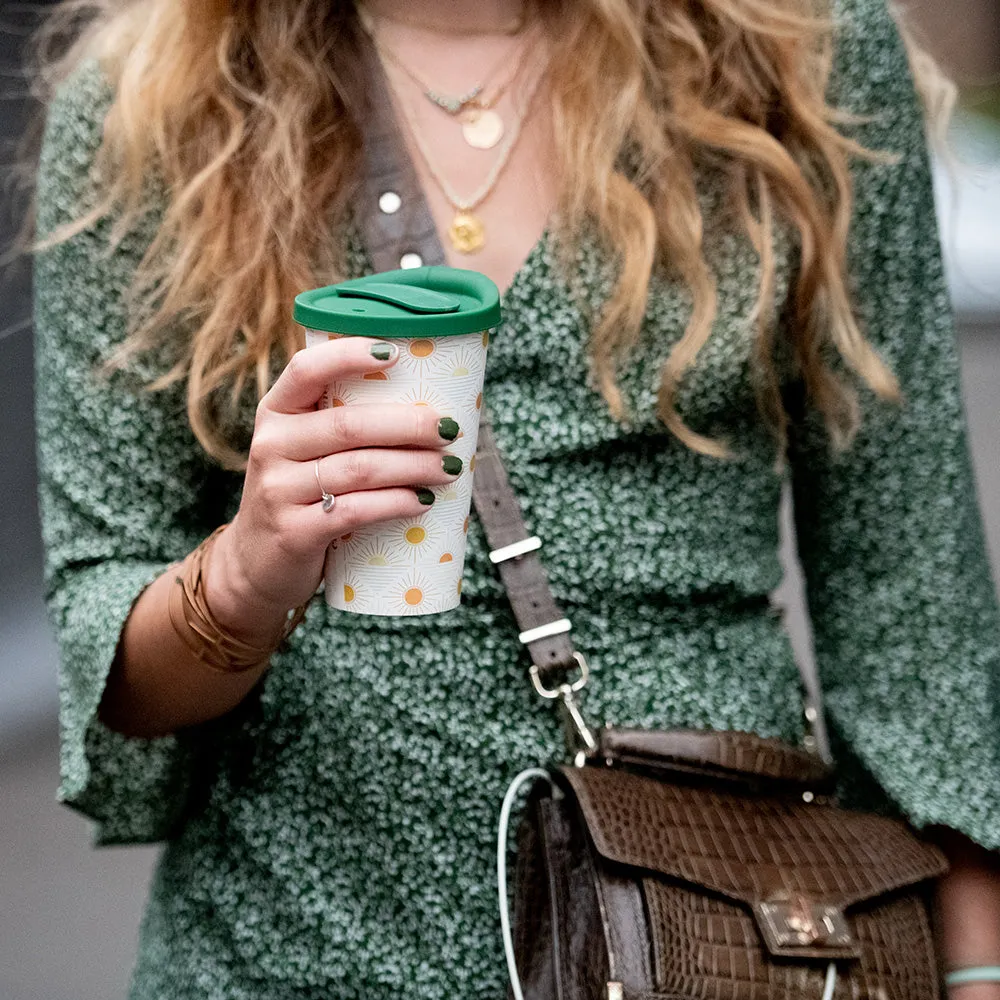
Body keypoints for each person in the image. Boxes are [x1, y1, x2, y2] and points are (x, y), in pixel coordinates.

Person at [32, 0, 1000, 996]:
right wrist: (241, 577)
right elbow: (110, 651)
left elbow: (912, 610)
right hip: (292, 949)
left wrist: (977, 968)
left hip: (719, 940)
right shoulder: (153, 103)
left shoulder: (801, 42)